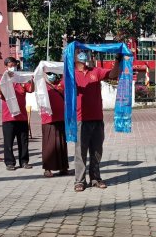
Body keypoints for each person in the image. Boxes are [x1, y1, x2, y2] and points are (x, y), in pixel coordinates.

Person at [74, 51, 121, 192]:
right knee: (80, 152)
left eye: (85, 52)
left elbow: (113, 74)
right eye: (79, 52)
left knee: (96, 151)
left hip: (97, 118)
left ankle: (95, 178)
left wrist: (117, 60)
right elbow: (64, 88)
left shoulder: (95, 71)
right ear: (74, 57)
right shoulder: (70, 74)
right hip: (80, 119)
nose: (83, 55)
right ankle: (80, 181)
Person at [0, 57, 34, 171]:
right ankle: (9, 162)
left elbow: (31, 89)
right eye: (10, 66)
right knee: (8, 141)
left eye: (14, 65)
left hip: (22, 116)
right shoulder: (1, 78)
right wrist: (5, 82)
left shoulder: (21, 79)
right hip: (8, 117)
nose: (12, 67)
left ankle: (24, 161)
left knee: (23, 141)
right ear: (6, 67)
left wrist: (31, 80)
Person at [41, 70, 68, 177]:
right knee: (49, 145)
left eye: (52, 73)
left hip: (61, 118)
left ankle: (63, 168)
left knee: (61, 144)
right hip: (48, 119)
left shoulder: (62, 84)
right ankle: (47, 168)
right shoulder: (42, 86)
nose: (51, 76)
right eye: (48, 74)